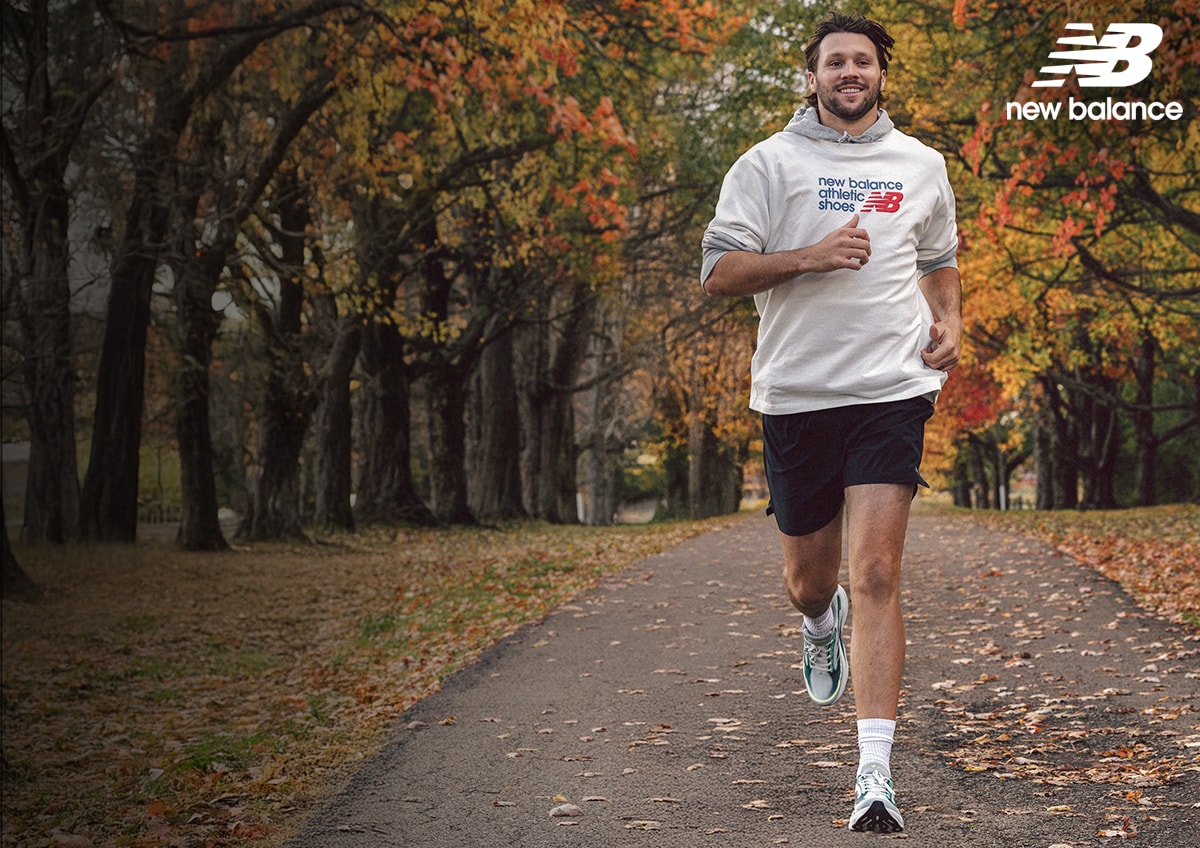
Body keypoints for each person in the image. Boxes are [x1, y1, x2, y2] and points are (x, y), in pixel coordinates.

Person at [700, 12, 962, 834]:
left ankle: (874, 775)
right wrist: (807, 256)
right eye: (834, 62)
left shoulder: (921, 164)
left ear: (883, 73)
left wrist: (950, 320)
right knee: (812, 581)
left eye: (863, 61)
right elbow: (717, 271)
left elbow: (939, 257)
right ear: (810, 76)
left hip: (890, 388)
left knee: (877, 572)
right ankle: (821, 626)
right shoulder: (768, 164)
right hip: (797, 394)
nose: (850, 72)